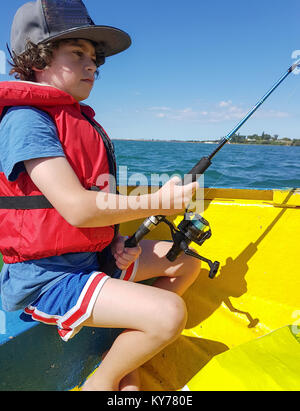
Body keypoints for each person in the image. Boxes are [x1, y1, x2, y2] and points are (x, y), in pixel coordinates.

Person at [0, 0, 201, 391]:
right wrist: (158, 202)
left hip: (91, 258)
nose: (92, 65)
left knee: (186, 263)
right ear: (36, 58)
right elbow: (76, 209)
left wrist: (115, 241)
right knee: (169, 314)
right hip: (48, 279)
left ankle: (124, 348)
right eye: (78, 53)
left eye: (95, 58)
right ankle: (105, 382)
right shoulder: (27, 120)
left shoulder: (74, 119)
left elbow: (89, 213)